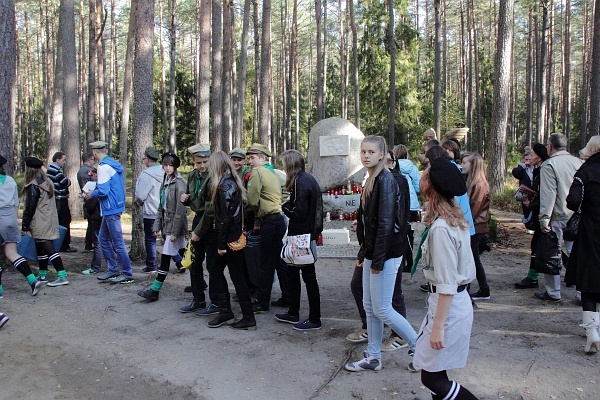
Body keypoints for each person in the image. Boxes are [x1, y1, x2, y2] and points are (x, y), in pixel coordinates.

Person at [345, 135, 417, 372]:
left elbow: (387, 224)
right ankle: (373, 357)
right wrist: (364, 252)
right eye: (363, 152)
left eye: (371, 152)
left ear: (383, 154)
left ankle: (420, 347)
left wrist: (377, 258)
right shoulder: (371, 179)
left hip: (385, 254)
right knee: (369, 305)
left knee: (383, 308)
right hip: (373, 252)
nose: (366, 156)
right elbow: (370, 222)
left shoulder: (386, 181)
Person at [411, 157, 479, 400]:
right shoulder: (454, 218)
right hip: (451, 305)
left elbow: (447, 284)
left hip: (448, 308)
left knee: (431, 378)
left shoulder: (441, 229)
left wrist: (438, 327)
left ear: (429, 189)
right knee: (437, 372)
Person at [203, 150, 256, 330]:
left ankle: (242, 316)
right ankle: (230, 312)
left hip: (228, 240)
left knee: (230, 275)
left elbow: (225, 218)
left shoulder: (225, 186)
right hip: (233, 237)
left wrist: (221, 244)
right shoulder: (231, 182)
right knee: (220, 272)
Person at [275, 149, 323, 331]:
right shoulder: (307, 179)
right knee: (294, 273)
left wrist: (284, 207)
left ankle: (314, 318)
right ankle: (293, 312)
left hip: (301, 236)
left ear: (290, 164)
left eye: (284, 163)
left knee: (307, 277)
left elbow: (299, 213)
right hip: (305, 235)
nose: (283, 167)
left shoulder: (299, 182)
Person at [536, 133, 582, 302]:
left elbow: (549, 194)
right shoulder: (579, 162)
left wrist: (544, 218)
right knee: (577, 253)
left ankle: (553, 291)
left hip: (557, 214)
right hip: (576, 215)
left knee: (551, 253)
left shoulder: (549, 165)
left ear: (550, 146)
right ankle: (582, 293)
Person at [566, 135, 600, 353]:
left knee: (589, 281)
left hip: (591, 230)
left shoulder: (585, 172)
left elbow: (573, 201)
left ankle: (592, 333)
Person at [138, 153, 188, 301]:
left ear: (175, 166)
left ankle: (155, 290)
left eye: (170, 165)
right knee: (186, 255)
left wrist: (174, 232)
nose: (167, 168)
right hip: (167, 225)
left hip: (175, 226)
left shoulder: (179, 183)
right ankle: (200, 282)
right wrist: (157, 225)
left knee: (166, 256)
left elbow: (181, 210)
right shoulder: (165, 181)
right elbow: (161, 206)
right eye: (165, 165)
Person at [83, 141, 134, 285]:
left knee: (117, 242)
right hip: (111, 207)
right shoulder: (112, 163)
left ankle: (127, 272)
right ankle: (112, 269)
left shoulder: (103, 168)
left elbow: (104, 191)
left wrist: (91, 194)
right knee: (103, 240)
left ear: (94, 153)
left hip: (110, 208)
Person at [246, 143, 288, 314]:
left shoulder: (257, 172)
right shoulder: (271, 172)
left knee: (266, 264)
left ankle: (263, 302)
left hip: (269, 221)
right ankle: (288, 295)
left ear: (262, 158)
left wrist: (256, 214)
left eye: (252, 158)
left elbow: (253, 199)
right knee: (279, 261)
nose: (250, 161)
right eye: (249, 158)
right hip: (278, 219)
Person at [180, 143, 217, 315]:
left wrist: (198, 232)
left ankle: (216, 302)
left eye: (205, 161)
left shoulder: (214, 177)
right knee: (194, 263)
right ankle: (198, 300)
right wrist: (185, 199)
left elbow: (210, 209)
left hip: (210, 224)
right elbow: (194, 199)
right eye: (198, 162)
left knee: (212, 265)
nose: (202, 166)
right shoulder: (193, 175)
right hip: (197, 221)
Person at [22, 156, 69, 287]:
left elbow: (30, 207)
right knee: (40, 248)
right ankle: (43, 274)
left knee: (49, 249)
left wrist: (24, 226)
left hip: (40, 220)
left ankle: (62, 274)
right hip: (48, 219)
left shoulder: (34, 185)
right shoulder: (47, 182)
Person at [0, 155, 42, 297]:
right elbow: (16, 203)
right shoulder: (11, 181)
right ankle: (32, 280)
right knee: (12, 253)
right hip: (10, 219)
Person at [514, 144, 548, 289]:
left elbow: (546, 194)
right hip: (541, 213)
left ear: (539, 157)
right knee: (540, 244)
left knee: (546, 245)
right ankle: (532, 277)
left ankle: (534, 278)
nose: (530, 157)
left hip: (545, 214)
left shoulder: (544, 170)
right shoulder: (539, 170)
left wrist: (532, 203)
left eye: (532, 154)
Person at [461, 153, 491, 301]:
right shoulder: (472, 183)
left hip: (476, 227)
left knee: (468, 259)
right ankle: (484, 288)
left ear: (473, 165)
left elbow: (474, 208)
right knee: (474, 258)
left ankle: (465, 291)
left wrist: (464, 224)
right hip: (475, 226)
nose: (462, 165)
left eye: (465, 162)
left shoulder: (479, 184)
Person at [134, 147, 163, 273]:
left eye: (144, 158)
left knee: (150, 239)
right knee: (168, 239)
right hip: (166, 210)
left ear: (148, 159)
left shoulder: (146, 174)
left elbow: (140, 195)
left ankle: (152, 264)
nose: (143, 161)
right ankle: (179, 262)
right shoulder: (165, 170)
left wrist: (140, 203)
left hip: (151, 211)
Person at [47, 151, 76, 252]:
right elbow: (66, 182)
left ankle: (59, 244)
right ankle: (64, 245)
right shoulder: (56, 172)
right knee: (64, 221)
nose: (64, 162)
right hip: (60, 200)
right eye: (63, 160)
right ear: (57, 160)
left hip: (57, 199)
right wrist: (67, 181)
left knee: (60, 221)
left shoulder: (50, 171)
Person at [81, 165, 103, 275]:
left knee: (98, 242)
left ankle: (95, 267)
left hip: (97, 216)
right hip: (105, 215)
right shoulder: (106, 184)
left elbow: (90, 203)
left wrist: (88, 210)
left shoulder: (97, 187)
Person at [77, 152, 95, 252]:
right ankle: (88, 244)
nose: (93, 161)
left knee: (91, 223)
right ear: (88, 160)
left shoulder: (81, 170)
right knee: (92, 222)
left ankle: (89, 243)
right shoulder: (87, 171)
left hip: (87, 198)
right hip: (90, 199)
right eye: (92, 159)